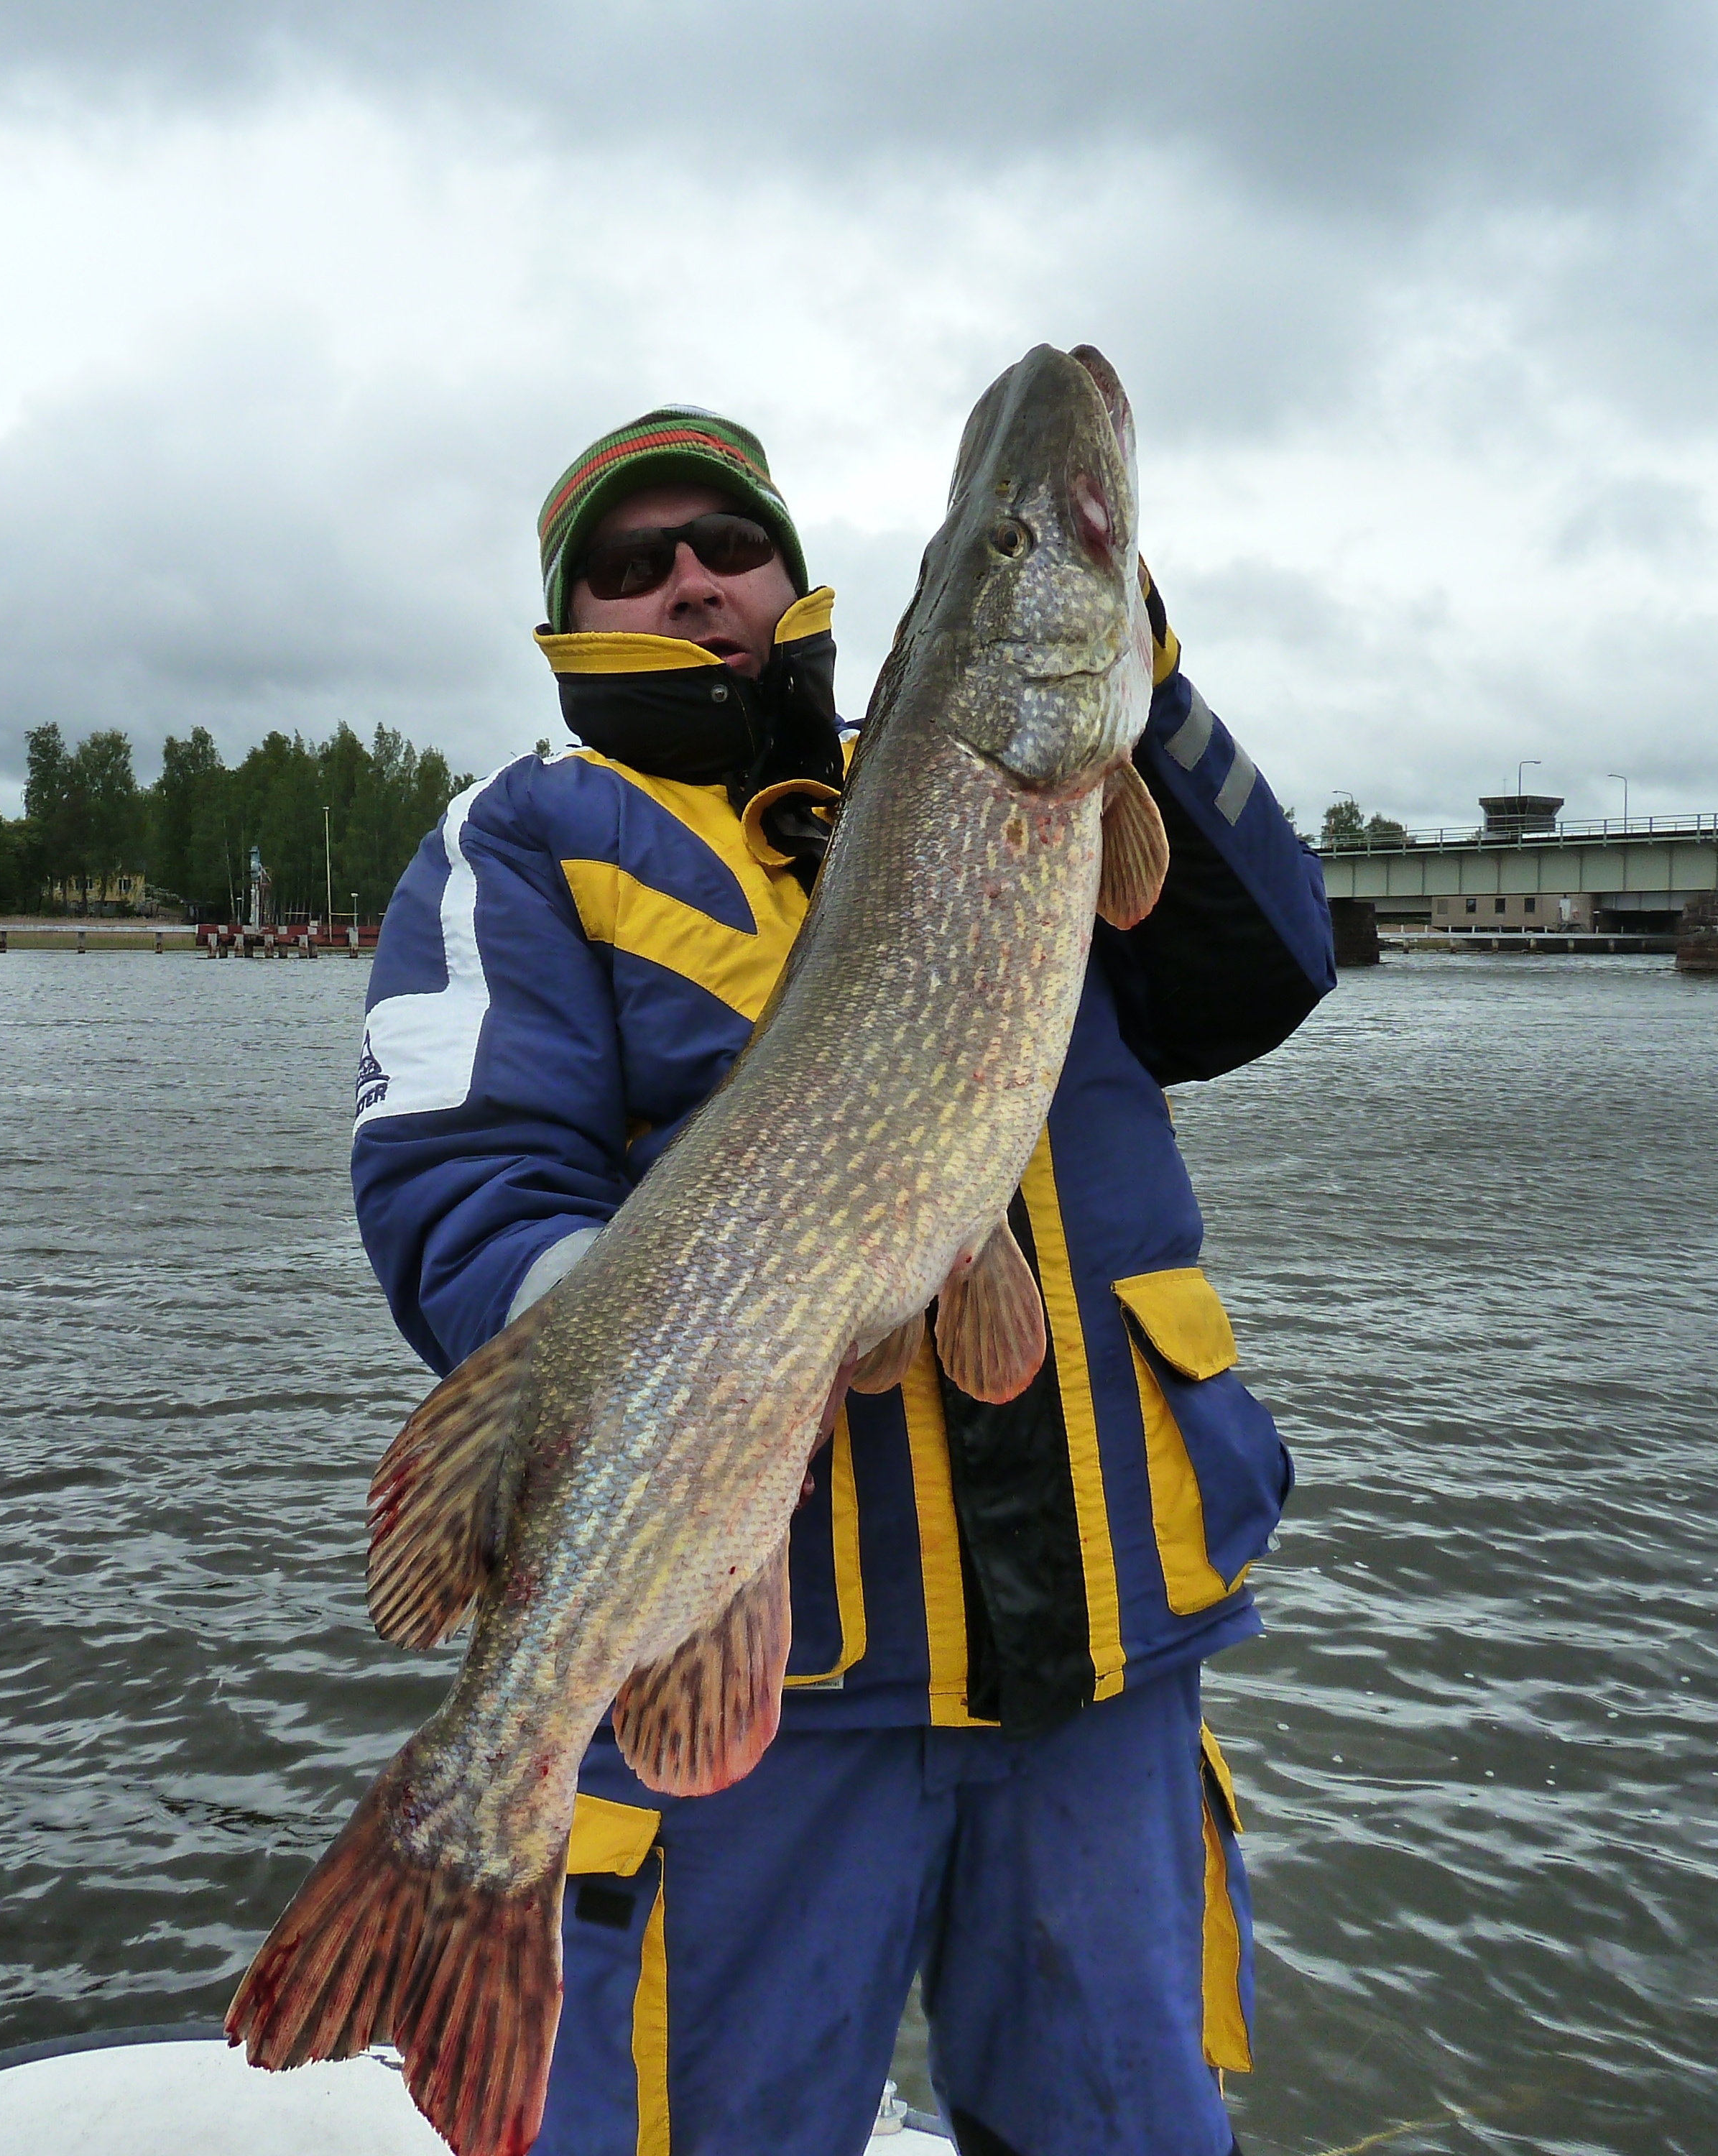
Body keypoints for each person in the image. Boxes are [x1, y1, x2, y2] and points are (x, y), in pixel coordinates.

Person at [351, 405, 1333, 2156]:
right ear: (572, 617)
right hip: (759, 1671)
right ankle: (463, 1838)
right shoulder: (529, 836)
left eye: (727, 544)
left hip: (1098, 1649)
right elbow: (457, 1180)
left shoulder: (998, 774)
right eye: (631, 561)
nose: (689, 580)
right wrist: (695, 1377)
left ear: (795, 578)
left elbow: (1265, 970)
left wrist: (1138, 667)